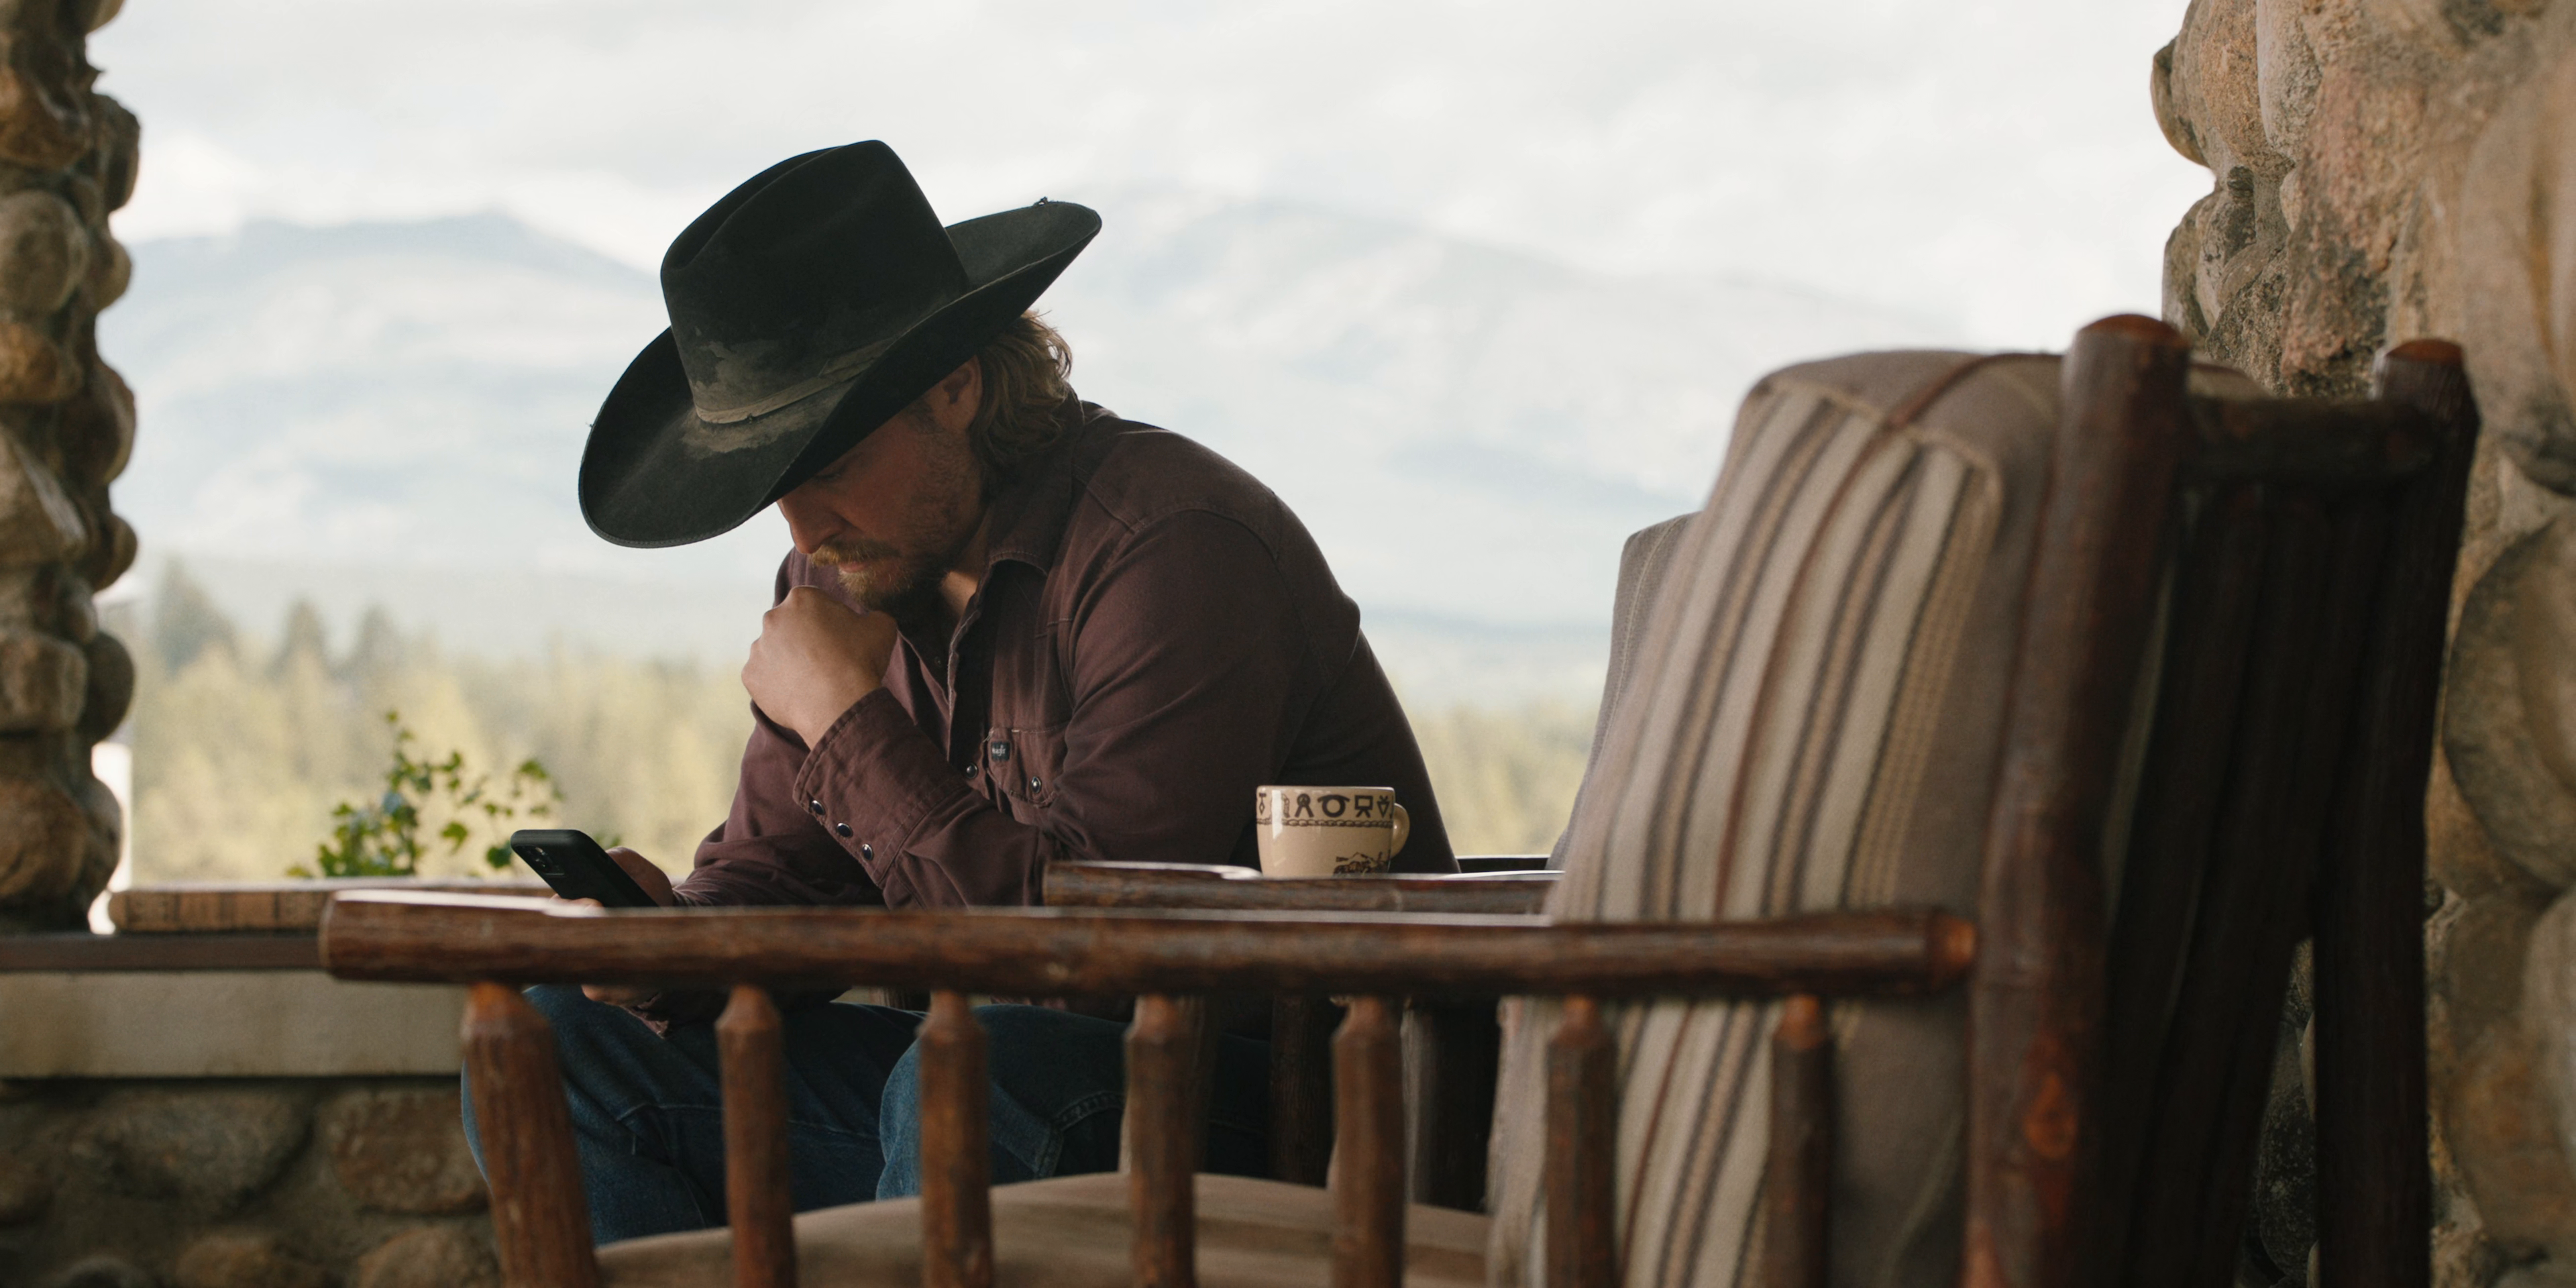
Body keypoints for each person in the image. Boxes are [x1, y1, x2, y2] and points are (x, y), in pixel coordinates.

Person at [466, 140, 1457, 1244]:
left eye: (830, 468)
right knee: (556, 1047)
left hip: (1283, 1107)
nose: (804, 531)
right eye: (773, 492)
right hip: (996, 1087)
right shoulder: (844, 572)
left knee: (973, 1071)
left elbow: (1090, 977)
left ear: (956, 386)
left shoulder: (1174, 546)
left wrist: (846, 724)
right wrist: (662, 947)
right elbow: (782, 877)